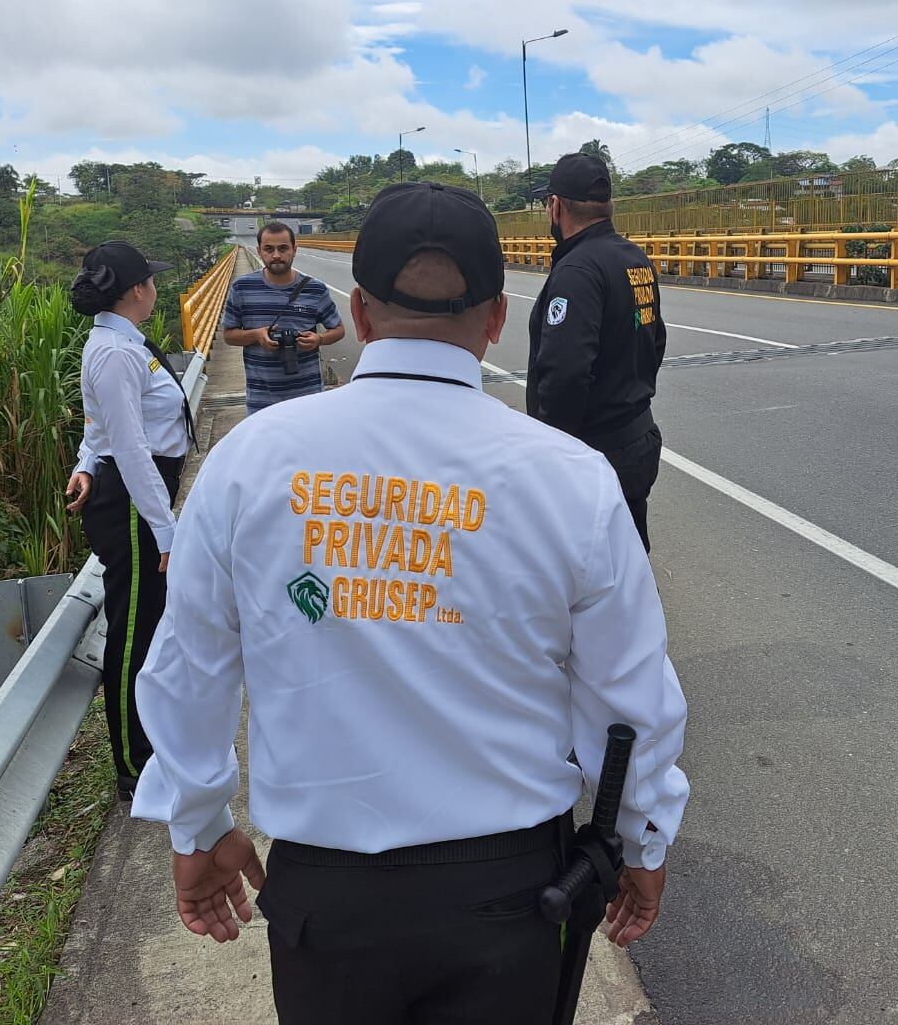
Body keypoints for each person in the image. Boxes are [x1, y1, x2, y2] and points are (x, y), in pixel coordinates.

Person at [131, 181, 689, 1025]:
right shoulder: (570, 477)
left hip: (327, 899)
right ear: (498, 318)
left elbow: (188, 667)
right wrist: (645, 837)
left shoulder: (253, 460)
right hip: (512, 896)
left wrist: (199, 824)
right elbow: (629, 694)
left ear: (356, 310)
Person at [63, 241, 194, 801]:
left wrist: (84, 463)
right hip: (137, 506)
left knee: (148, 625)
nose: (156, 288)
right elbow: (132, 447)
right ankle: (132, 764)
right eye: (152, 281)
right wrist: (165, 531)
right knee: (134, 634)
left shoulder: (121, 343)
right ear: (138, 289)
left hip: (134, 493)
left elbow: (101, 429)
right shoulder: (117, 352)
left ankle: (150, 743)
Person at [527, 153, 668, 550]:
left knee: (587, 576)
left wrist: (557, 456)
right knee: (630, 560)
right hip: (638, 438)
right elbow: (655, 339)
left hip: (593, 452)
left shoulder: (577, 271)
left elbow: (565, 374)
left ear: (555, 207)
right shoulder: (635, 259)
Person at [221, 220, 345, 413]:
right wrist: (257, 336)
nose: (276, 255)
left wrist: (319, 339)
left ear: (295, 250)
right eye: (269, 249)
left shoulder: (315, 289)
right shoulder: (242, 287)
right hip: (261, 399)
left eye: (283, 248)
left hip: (309, 398)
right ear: (259, 251)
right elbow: (228, 335)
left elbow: (338, 330)